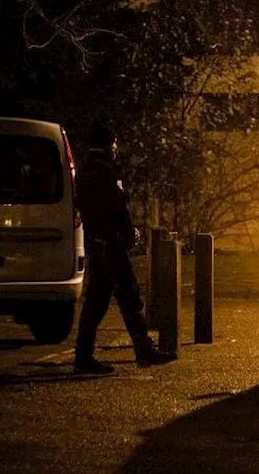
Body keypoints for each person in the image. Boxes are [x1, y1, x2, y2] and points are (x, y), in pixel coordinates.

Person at [73, 123, 174, 374]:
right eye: (114, 144)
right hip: (111, 244)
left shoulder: (85, 172)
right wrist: (129, 234)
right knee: (129, 296)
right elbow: (117, 208)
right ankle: (143, 350)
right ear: (108, 145)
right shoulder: (103, 172)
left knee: (96, 302)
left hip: (97, 243)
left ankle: (83, 356)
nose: (116, 149)